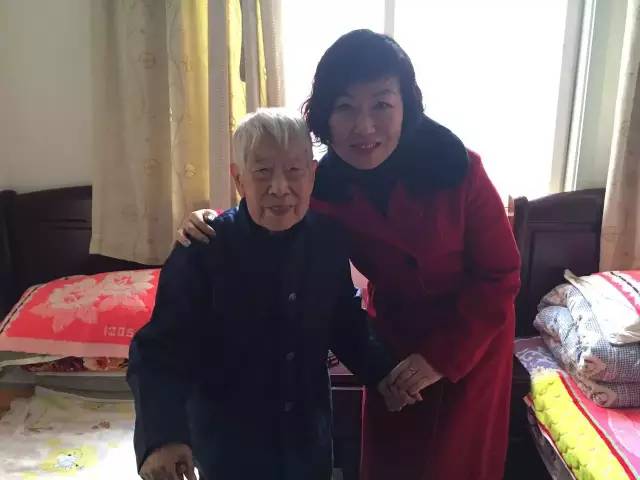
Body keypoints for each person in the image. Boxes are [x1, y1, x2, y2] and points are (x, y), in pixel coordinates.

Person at [178, 30, 521, 480]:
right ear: (324, 114)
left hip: (470, 340)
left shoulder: (458, 167)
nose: (364, 127)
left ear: (406, 106)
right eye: (345, 107)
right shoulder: (322, 185)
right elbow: (268, 211)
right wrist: (210, 220)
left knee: (456, 464)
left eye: (382, 105)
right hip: (391, 337)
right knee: (392, 460)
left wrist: (442, 358)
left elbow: (501, 275)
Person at [127, 109, 414, 480]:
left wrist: (384, 373)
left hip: (307, 444)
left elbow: (346, 325)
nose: (280, 187)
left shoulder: (327, 240)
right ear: (239, 179)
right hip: (227, 448)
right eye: (262, 171)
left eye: (294, 170)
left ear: (312, 174)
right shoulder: (202, 249)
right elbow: (158, 351)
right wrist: (162, 438)